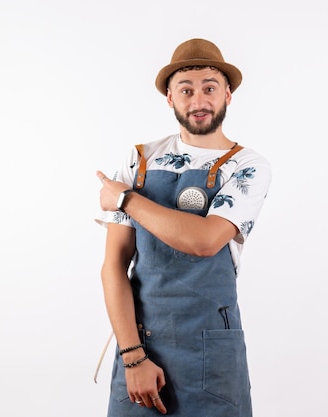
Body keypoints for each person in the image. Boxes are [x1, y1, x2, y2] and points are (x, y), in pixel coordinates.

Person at [95, 38, 272, 417]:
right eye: (186, 90)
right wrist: (132, 357)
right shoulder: (139, 159)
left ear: (227, 94)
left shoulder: (247, 166)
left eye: (209, 88)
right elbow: (114, 265)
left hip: (212, 349)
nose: (199, 101)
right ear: (170, 98)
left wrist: (126, 199)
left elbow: (205, 241)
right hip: (140, 342)